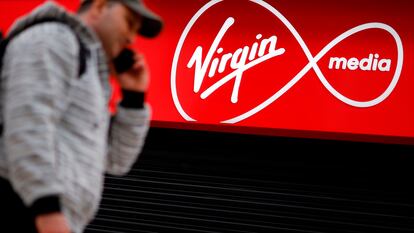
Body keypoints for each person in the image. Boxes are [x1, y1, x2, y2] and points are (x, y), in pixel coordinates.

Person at [0, 0, 163, 232]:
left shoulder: (92, 71)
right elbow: (28, 125)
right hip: (28, 210)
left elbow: (116, 161)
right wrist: (47, 211)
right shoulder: (53, 38)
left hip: (54, 216)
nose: (132, 38)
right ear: (99, 7)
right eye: (129, 23)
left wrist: (134, 98)